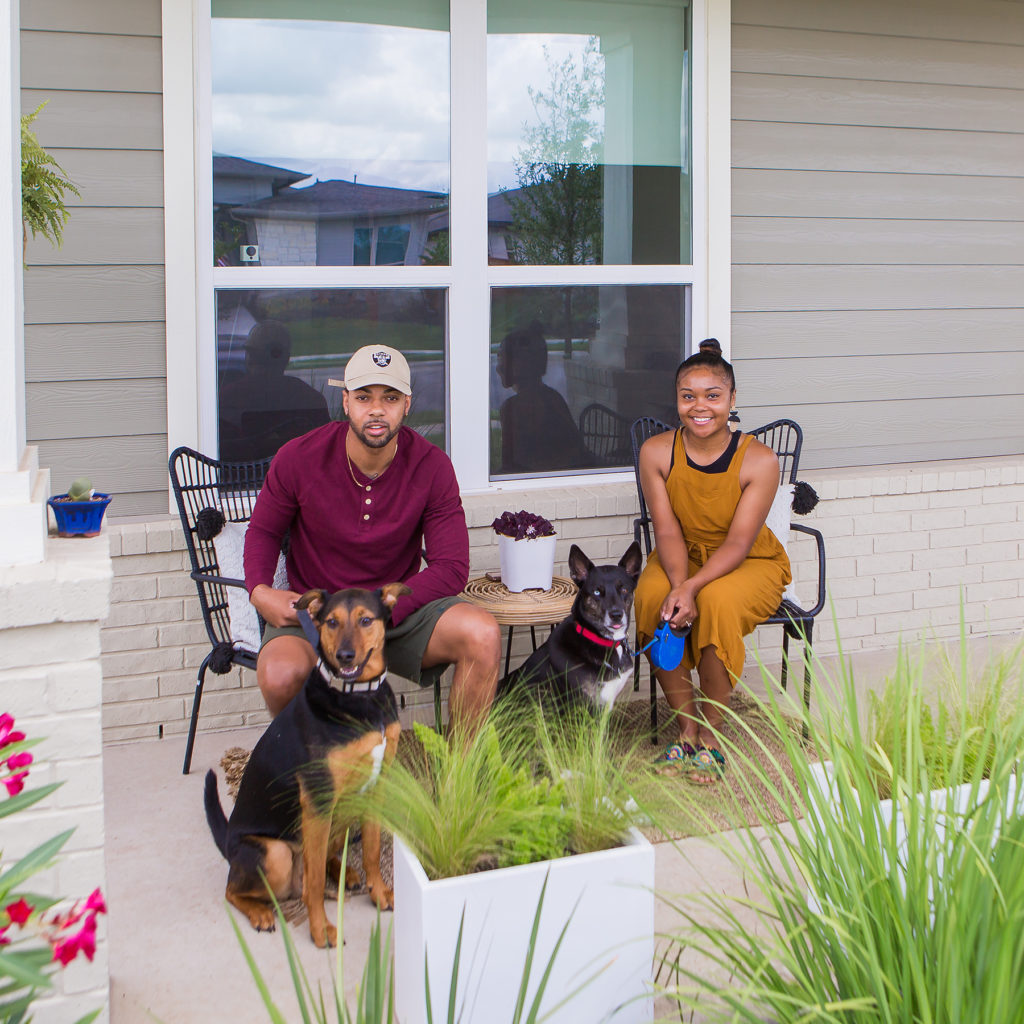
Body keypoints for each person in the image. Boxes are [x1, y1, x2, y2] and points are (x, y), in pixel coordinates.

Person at [243, 344, 501, 735]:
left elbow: (451, 567)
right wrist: (259, 591)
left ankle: (461, 782)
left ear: (407, 404)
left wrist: (383, 610)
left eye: (390, 397)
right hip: (320, 614)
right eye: (364, 397)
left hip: (392, 612)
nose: (376, 409)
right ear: (345, 402)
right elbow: (263, 531)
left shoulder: (432, 466)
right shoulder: (298, 458)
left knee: (481, 633)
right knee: (280, 675)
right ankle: (320, 775)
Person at [633, 339, 791, 783]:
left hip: (749, 559)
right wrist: (679, 588)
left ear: (732, 400)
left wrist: (693, 589)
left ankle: (712, 735)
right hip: (680, 551)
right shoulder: (657, 452)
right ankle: (686, 731)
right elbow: (666, 531)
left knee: (717, 602)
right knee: (652, 597)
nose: (699, 407)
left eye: (712, 396)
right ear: (677, 400)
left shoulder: (758, 460)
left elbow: (740, 542)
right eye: (688, 396)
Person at [218, 319, 330, 461]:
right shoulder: (310, 398)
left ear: (250, 357)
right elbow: (327, 452)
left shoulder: (229, 398)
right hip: (298, 480)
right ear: (286, 359)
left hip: (241, 480)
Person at [496, 322, 593, 473]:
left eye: (503, 359)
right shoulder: (553, 398)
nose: (498, 367)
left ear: (523, 364)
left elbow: (512, 468)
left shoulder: (515, 408)